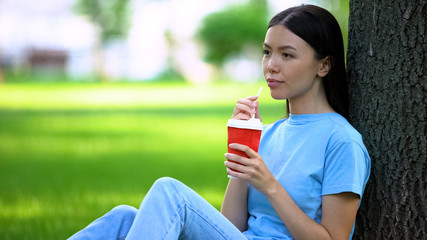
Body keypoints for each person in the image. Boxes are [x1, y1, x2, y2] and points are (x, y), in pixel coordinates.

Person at [68, 4, 370, 240]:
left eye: (287, 55)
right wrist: (244, 146)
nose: (271, 65)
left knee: (170, 192)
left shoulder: (341, 142)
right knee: (123, 218)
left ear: (324, 65)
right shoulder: (269, 133)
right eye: (267, 53)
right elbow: (230, 227)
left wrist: (270, 185)